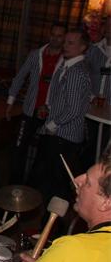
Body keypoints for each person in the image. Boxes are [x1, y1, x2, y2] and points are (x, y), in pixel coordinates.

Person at [30, 29, 92, 217]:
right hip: (61, 135)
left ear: (83, 47)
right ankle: (49, 223)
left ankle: (51, 226)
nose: (65, 46)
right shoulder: (70, 67)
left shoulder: (75, 71)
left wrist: (52, 125)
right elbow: (66, 100)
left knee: (55, 186)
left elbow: (74, 109)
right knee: (51, 182)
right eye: (65, 42)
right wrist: (49, 107)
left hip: (63, 137)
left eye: (71, 43)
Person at [6, 23, 66, 183]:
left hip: (50, 113)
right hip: (30, 110)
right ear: (49, 34)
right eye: (53, 34)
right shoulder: (36, 54)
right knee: (19, 148)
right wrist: (10, 101)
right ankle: (14, 187)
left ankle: (31, 188)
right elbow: (20, 76)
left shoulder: (66, 60)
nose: (55, 38)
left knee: (42, 154)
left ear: (64, 38)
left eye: (59, 36)